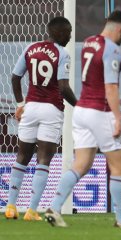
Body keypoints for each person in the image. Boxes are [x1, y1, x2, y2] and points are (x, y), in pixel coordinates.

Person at [44, 10, 121, 228]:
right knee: (119, 166)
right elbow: (111, 85)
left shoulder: (90, 42)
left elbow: (106, 71)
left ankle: (54, 208)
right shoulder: (111, 48)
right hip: (101, 112)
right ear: (120, 29)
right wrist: (118, 119)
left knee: (81, 164)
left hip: (81, 110)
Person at [4, 16, 77, 221]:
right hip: (51, 109)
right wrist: (79, 107)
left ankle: (10, 207)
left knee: (22, 157)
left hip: (31, 107)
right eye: (69, 31)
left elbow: (15, 76)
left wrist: (19, 105)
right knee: (43, 159)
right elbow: (63, 87)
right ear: (60, 33)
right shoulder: (62, 53)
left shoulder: (31, 47)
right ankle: (32, 210)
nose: (71, 36)